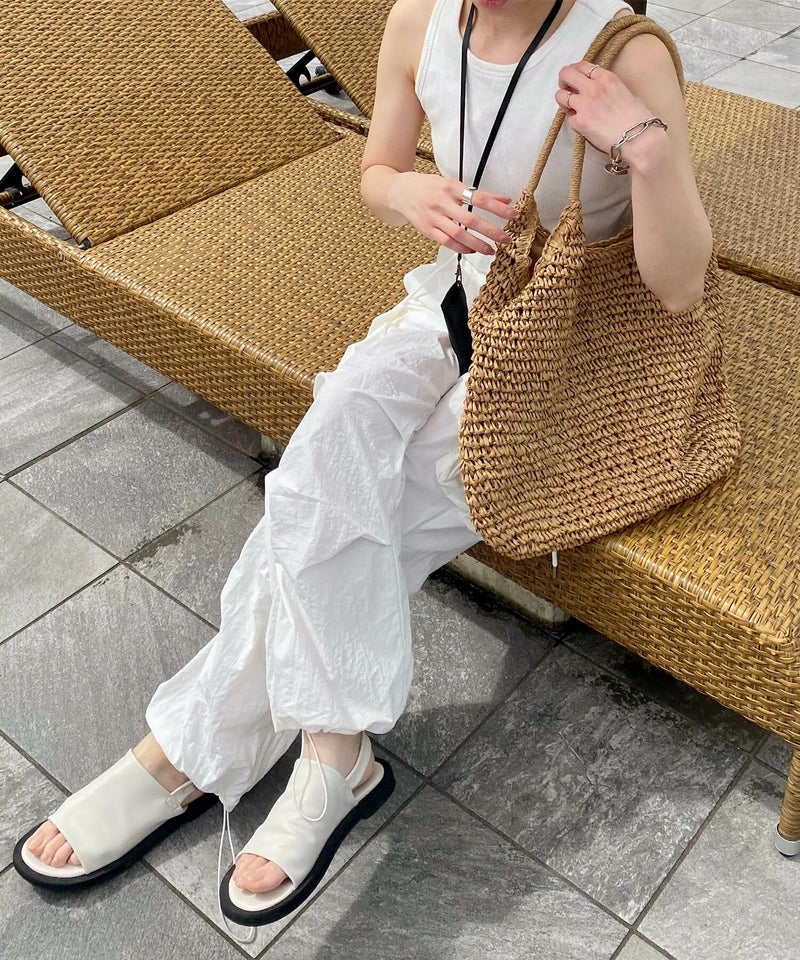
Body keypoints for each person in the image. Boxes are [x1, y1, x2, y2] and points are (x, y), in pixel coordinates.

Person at [14, 0, 712, 935]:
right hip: (456, 303)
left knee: (383, 510)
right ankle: (334, 754)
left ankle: (184, 752)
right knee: (321, 466)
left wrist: (646, 149)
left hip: (574, 351)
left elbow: (680, 286)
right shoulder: (418, 20)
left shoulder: (623, 51)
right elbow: (377, 170)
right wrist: (409, 196)